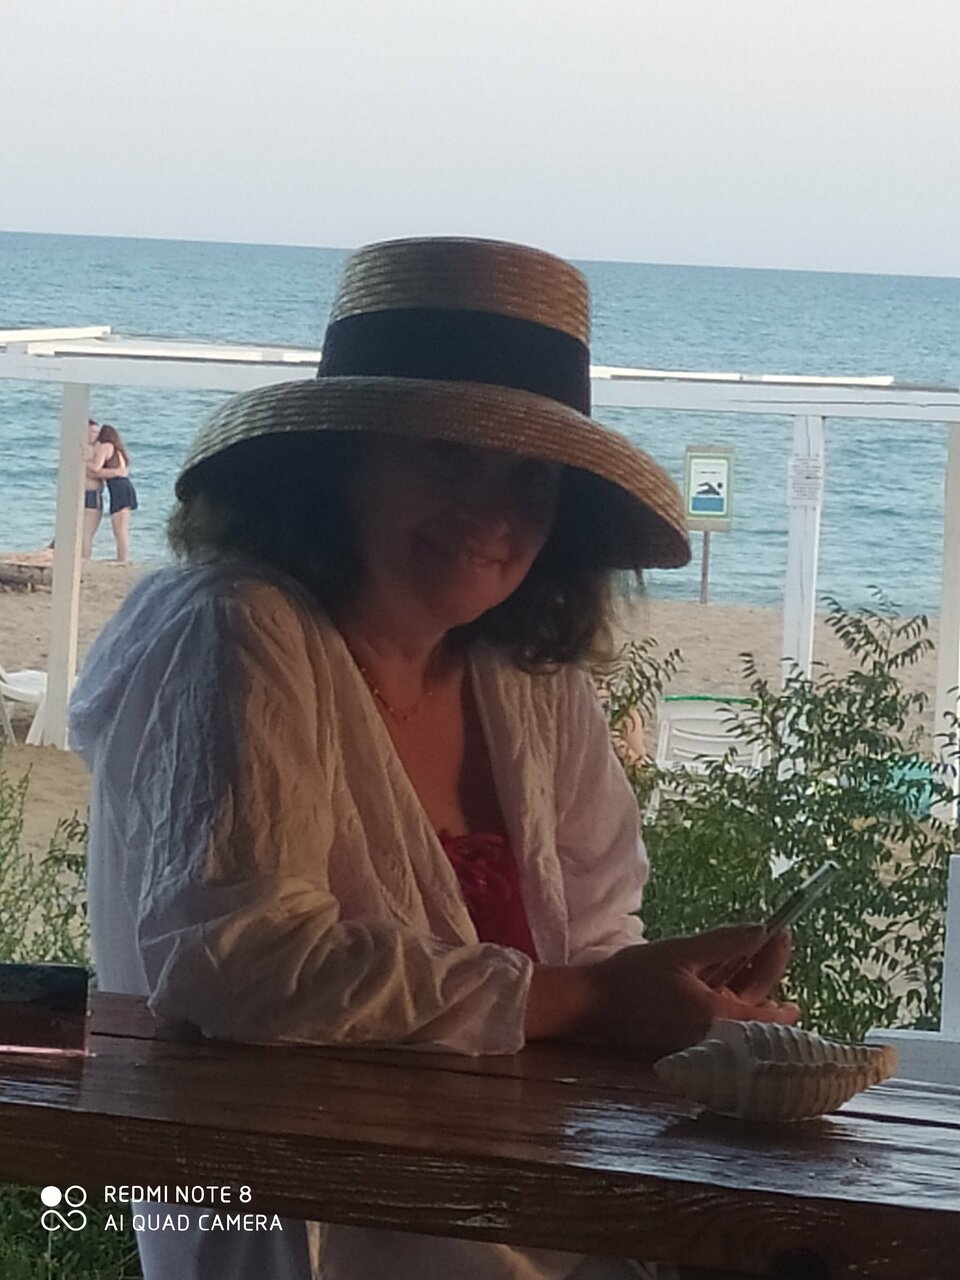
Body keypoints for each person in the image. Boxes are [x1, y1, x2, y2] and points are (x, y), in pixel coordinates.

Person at [69, 237, 797, 1280]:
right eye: (449, 455)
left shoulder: (532, 677)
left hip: (538, 1201)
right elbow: (237, 963)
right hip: (304, 1223)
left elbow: (595, 935)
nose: (494, 512)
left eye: (530, 475)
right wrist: (594, 1000)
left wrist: (681, 1000)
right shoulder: (233, 627)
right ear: (340, 459)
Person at [93, 423, 138, 562]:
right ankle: (122, 558)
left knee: (119, 530)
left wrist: (84, 463)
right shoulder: (119, 451)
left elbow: (95, 467)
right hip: (124, 487)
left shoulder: (105, 446)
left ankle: (122, 559)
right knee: (122, 529)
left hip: (118, 489)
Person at [81, 418, 111, 558]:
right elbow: (95, 471)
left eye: (97, 432)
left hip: (90, 492)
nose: (95, 435)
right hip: (88, 493)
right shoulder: (89, 449)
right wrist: (118, 472)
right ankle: (84, 559)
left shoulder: (94, 449)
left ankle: (83, 558)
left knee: (85, 533)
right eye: (92, 432)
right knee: (86, 533)